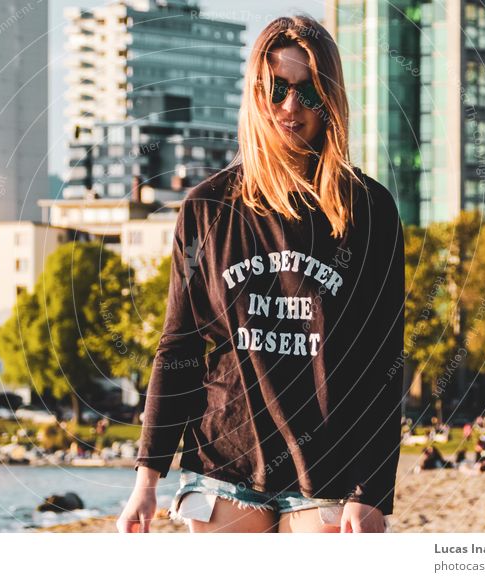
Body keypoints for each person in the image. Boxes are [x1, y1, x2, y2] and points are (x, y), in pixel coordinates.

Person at [117, 14, 405, 534]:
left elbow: (382, 359)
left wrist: (372, 493)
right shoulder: (208, 207)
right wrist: (147, 480)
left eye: (308, 91)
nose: (290, 106)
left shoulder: (369, 210)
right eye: (276, 88)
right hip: (223, 465)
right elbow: (179, 347)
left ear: (330, 99)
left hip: (330, 472)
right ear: (255, 92)